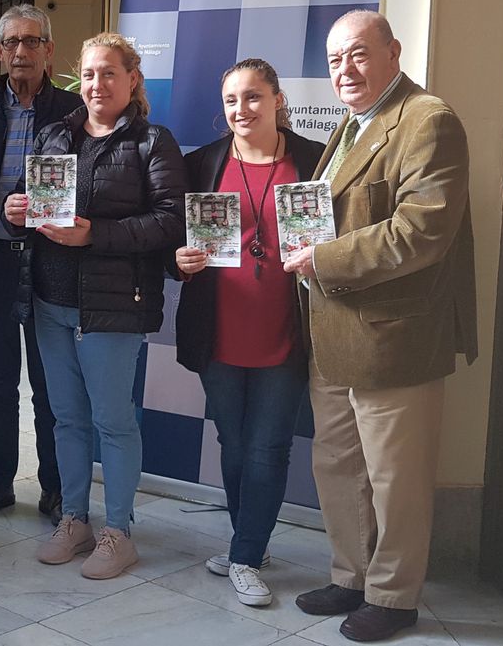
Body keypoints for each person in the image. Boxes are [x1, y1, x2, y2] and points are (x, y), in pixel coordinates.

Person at [282, 9, 476, 641]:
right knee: (338, 466)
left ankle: (393, 597)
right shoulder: (352, 124)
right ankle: (352, 577)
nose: (345, 70)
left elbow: (422, 232)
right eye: (335, 60)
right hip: (334, 331)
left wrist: (322, 259)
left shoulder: (427, 120)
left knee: (396, 478)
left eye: (359, 54)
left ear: (394, 52)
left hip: (395, 337)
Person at [3, 32, 187, 580]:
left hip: (112, 307)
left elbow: (169, 221)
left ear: (132, 79)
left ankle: (119, 531)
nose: (97, 84)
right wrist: (17, 209)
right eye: (88, 74)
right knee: (67, 419)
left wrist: (95, 235)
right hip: (50, 301)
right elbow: (29, 198)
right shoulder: (55, 134)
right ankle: (75, 518)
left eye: (109, 73)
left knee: (113, 421)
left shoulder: (152, 142)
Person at [171, 58, 325, 607]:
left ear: (278, 100)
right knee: (233, 444)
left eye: (254, 97)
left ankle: (244, 556)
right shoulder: (201, 164)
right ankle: (249, 546)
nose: (242, 109)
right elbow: (171, 240)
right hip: (219, 333)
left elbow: (339, 236)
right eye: (232, 100)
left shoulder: (316, 160)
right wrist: (178, 261)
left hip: (286, 332)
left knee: (269, 448)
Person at [0, 4, 74, 523]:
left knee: (51, 385)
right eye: (11, 42)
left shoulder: (72, 112)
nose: (21, 51)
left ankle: (55, 487)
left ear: (49, 50)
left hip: (50, 264)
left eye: (31, 41)